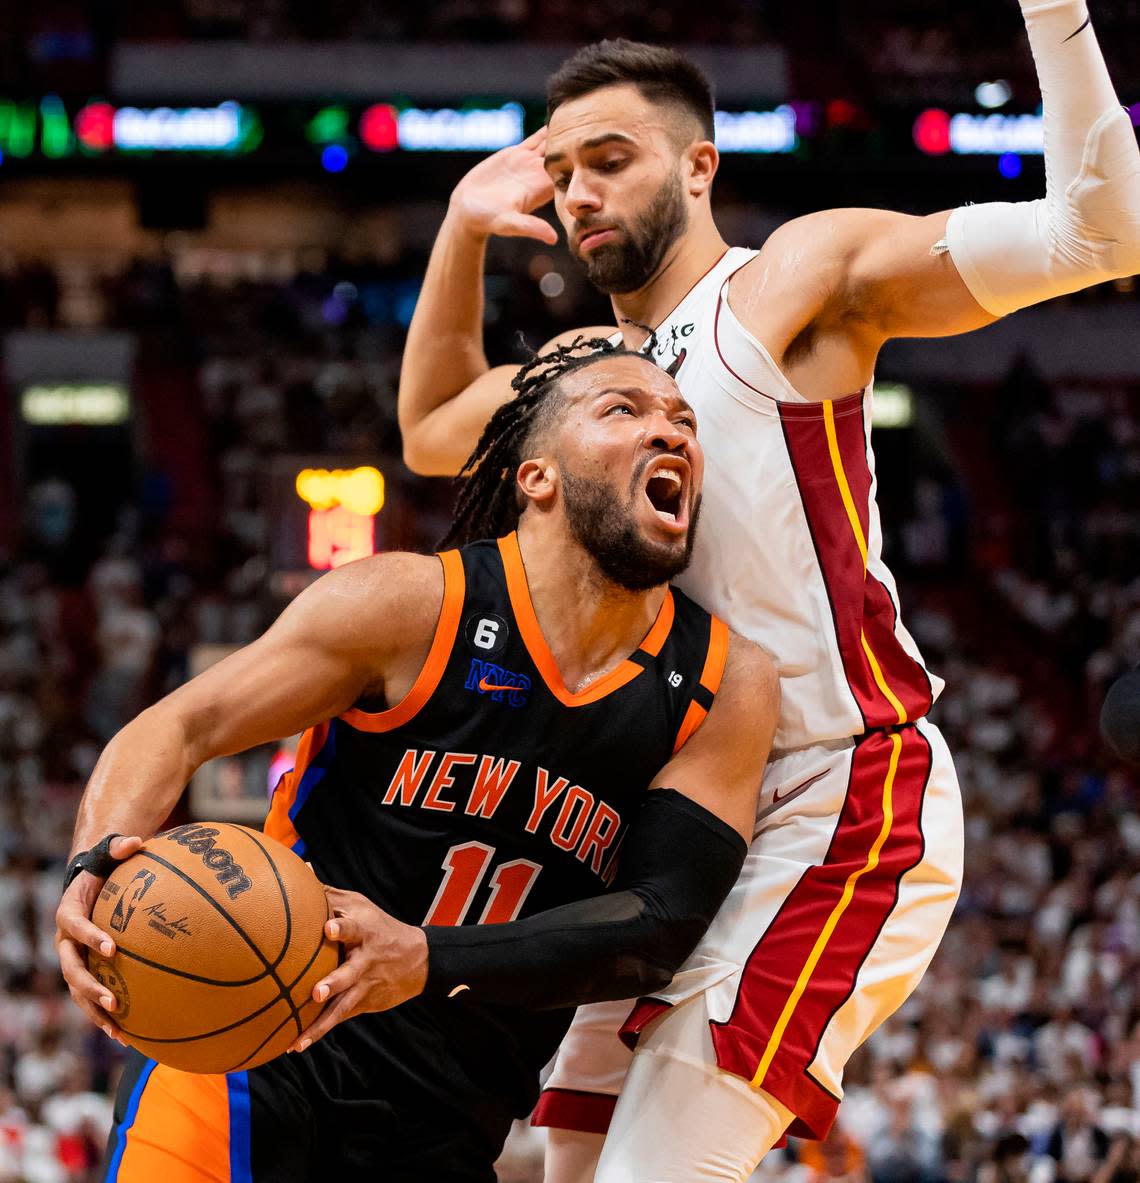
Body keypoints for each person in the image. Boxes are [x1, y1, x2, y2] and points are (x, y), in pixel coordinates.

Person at [395, 3, 1140, 1181]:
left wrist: (1053, 8)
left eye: (609, 160)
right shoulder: (587, 379)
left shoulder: (789, 281)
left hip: (835, 791)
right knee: (557, 1164)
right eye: (560, 172)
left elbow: (1105, 234)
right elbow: (436, 431)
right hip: (679, 828)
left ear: (699, 165)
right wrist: (460, 230)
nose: (578, 195)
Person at [53, 345, 781, 1182]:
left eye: (684, 422)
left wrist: (425, 956)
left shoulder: (722, 683)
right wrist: (92, 861)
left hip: (447, 1127)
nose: (672, 432)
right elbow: (178, 726)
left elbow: (660, 924)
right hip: (248, 1052)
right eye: (624, 409)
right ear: (535, 476)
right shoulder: (412, 605)